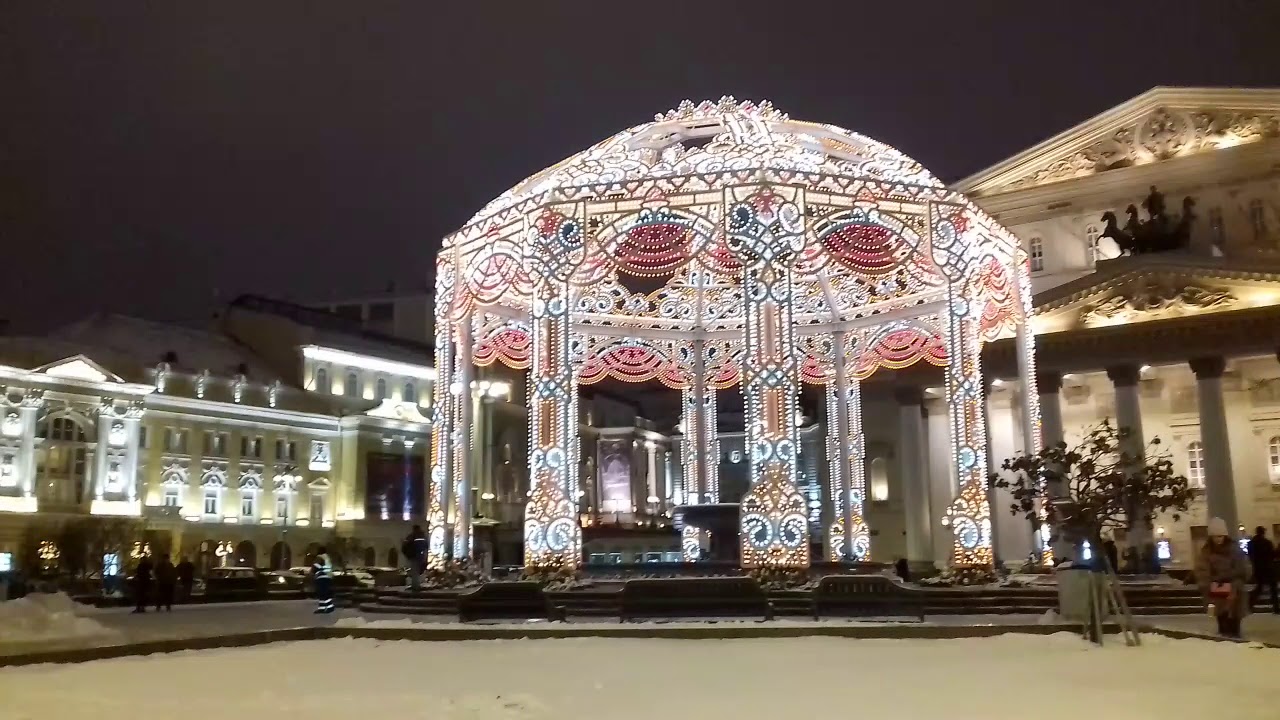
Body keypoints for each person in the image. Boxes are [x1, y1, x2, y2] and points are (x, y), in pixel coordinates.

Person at [1196, 517, 1251, 638]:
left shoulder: (1235, 549)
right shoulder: (1206, 552)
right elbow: (1202, 571)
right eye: (1216, 536)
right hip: (1217, 592)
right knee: (1222, 621)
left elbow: (1244, 569)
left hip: (1234, 591)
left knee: (1234, 622)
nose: (1218, 539)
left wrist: (1235, 581)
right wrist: (1208, 583)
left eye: (1221, 536)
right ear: (1211, 537)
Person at [1247, 526, 1278, 614]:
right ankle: (1276, 608)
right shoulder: (1267, 543)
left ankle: (1249, 605)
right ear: (1263, 532)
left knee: (1259, 588)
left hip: (1258, 568)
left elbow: (1250, 556)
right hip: (1268, 568)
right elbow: (1272, 555)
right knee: (1273, 588)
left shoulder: (1251, 543)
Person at [402, 525, 428, 592]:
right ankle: (417, 585)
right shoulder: (423, 536)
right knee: (418, 572)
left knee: (414, 572)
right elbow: (426, 546)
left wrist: (407, 554)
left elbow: (405, 545)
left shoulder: (412, 536)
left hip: (413, 556)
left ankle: (415, 586)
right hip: (420, 556)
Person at [312, 546, 334, 614]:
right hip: (328, 576)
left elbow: (316, 565)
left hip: (321, 576)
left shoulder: (319, 557)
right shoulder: (327, 557)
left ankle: (329, 607)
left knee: (322, 593)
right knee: (324, 593)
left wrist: (314, 572)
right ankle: (323, 608)